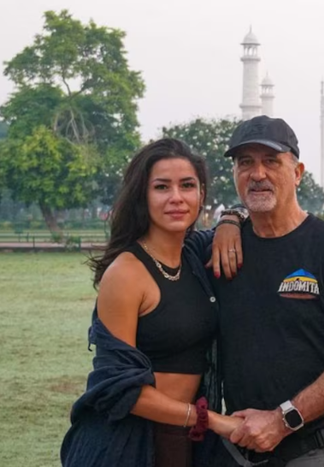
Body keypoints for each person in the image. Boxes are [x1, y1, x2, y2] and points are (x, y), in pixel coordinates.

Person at [199, 116, 324, 466]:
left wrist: (283, 420)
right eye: (245, 163)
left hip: (320, 448)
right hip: (244, 448)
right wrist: (230, 217)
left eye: (271, 161)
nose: (257, 173)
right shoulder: (222, 252)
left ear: (297, 172)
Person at [61, 139, 241, 467]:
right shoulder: (127, 273)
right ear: (142, 196)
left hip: (184, 439)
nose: (176, 197)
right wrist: (211, 419)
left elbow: (224, 229)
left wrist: (230, 218)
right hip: (128, 442)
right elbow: (117, 387)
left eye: (187, 185)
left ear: (201, 194)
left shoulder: (192, 252)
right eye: (161, 187)